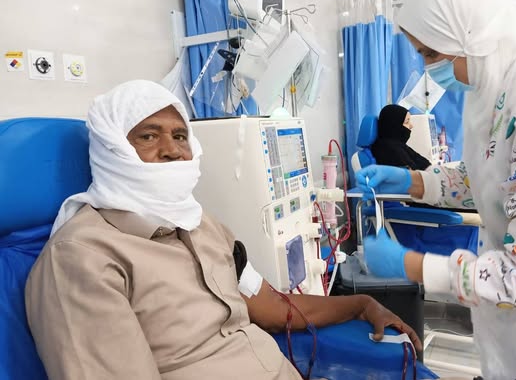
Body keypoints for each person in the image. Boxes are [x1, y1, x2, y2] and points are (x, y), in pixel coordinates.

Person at [25, 80, 421, 380]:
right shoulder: (82, 258)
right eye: (148, 136)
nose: (172, 150)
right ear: (111, 148)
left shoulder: (202, 226)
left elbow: (275, 308)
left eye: (180, 136)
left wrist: (360, 304)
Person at [356, 0, 516, 380]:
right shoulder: (501, 79)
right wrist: (413, 181)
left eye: (431, 53)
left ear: (472, 33)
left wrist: (413, 265)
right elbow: (493, 171)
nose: (428, 68)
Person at [371, 104, 432, 171]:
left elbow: (422, 162)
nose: (411, 126)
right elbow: (414, 173)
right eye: (407, 122)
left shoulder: (398, 145)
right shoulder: (391, 150)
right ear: (394, 125)